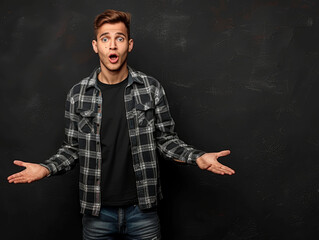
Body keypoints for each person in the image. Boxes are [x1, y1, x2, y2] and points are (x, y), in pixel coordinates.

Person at [7, 9, 235, 240]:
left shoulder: (151, 88)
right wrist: (45, 169)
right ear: (96, 46)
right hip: (97, 214)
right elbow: (72, 149)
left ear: (129, 44)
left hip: (142, 213)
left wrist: (197, 157)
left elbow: (165, 140)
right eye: (105, 38)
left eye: (120, 38)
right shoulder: (78, 94)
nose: (112, 45)